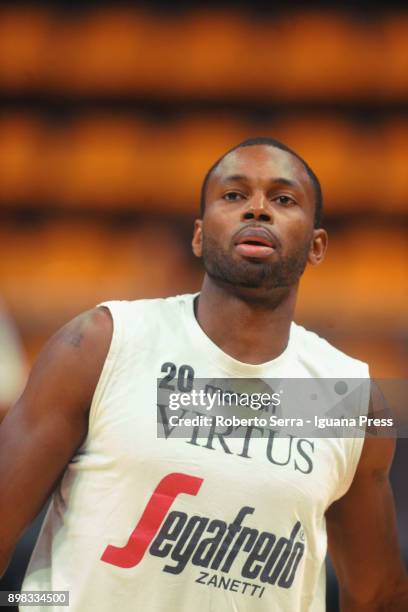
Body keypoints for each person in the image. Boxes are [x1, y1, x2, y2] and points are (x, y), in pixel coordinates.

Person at [0, 137, 407, 611]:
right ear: (198, 236)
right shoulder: (103, 343)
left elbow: (378, 595)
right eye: (234, 195)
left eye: (283, 198)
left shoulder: (345, 399)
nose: (257, 209)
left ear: (317, 246)